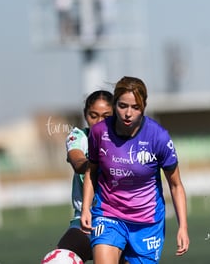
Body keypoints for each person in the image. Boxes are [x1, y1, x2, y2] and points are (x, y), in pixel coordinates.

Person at [80, 77, 189, 263]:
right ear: (114, 104)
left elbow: (176, 185)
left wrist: (183, 227)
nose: (128, 113)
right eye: (122, 106)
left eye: (135, 107)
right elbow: (91, 172)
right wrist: (85, 208)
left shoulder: (159, 137)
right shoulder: (99, 132)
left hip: (147, 222)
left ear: (144, 107)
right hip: (109, 214)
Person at [55, 90, 115, 262]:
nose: (99, 122)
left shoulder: (124, 143)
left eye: (106, 116)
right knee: (59, 260)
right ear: (85, 115)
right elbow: (77, 161)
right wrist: (95, 164)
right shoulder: (78, 137)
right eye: (93, 115)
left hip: (118, 222)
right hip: (85, 222)